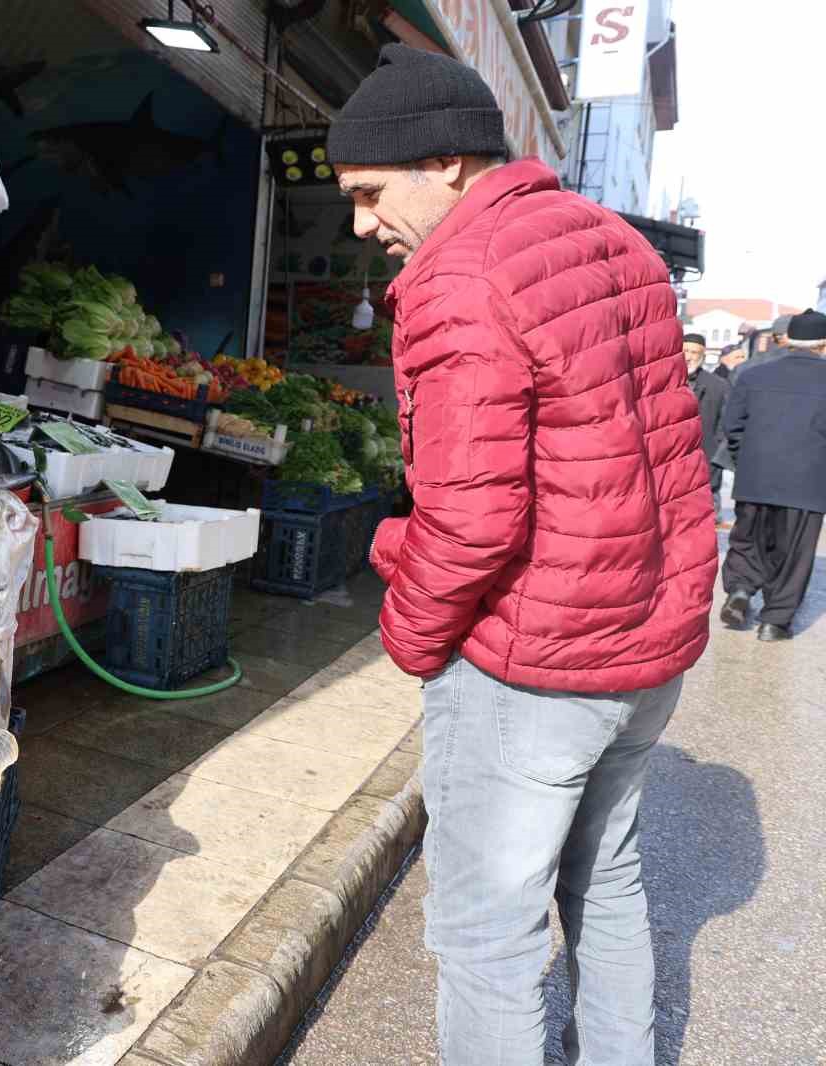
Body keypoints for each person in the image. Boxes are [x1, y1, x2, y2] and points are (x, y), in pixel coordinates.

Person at [328, 43, 716, 1065]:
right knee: (610, 880)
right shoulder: (617, 242)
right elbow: (657, 451)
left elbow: (470, 519)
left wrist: (408, 637)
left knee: (486, 936)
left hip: (535, 661)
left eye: (368, 193)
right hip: (648, 644)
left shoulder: (458, 273)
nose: (361, 225)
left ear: (443, 161)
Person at [717, 308, 826, 641]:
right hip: (807, 484)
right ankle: (774, 622)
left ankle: (740, 589)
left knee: (748, 539)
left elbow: (732, 427)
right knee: (793, 553)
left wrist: (747, 462)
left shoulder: (753, 374)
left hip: (755, 478)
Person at [684, 331, 729, 505]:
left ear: (702, 355)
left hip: (706, 461)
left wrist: (717, 455)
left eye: (694, 353)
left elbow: (724, 425)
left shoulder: (718, 386)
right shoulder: (661, 382)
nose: (688, 357)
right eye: (685, 351)